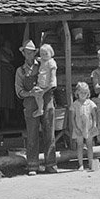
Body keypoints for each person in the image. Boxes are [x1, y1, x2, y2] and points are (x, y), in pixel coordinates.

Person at [15, 39, 59, 175]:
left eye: (32, 52)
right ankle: (32, 165)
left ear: (35, 53)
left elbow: (53, 81)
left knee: (49, 132)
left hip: (46, 100)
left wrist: (44, 91)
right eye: (27, 52)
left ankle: (50, 164)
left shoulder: (44, 63)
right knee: (32, 134)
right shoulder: (20, 71)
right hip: (30, 103)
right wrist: (30, 93)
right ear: (24, 54)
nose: (29, 55)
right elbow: (19, 92)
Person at [70, 81, 98, 172]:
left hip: (88, 127)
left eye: (85, 93)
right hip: (79, 127)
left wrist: (94, 125)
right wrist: (75, 128)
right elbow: (72, 118)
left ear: (88, 93)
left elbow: (94, 116)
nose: (83, 94)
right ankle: (80, 164)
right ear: (77, 92)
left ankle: (91, 163)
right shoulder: (75, 104)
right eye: (81, 92)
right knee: (80, 145)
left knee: (90, 145)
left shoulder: (90, 103)